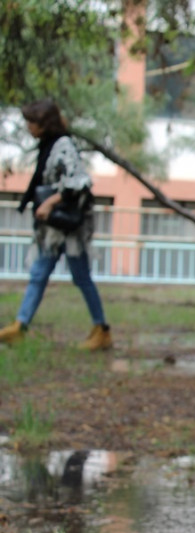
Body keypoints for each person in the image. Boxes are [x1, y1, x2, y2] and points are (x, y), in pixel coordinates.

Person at [0, 100, 112, 350]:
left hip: (69, 229)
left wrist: (50, 202)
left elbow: (80, 182)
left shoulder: (63, 145)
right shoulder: (47, 146)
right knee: (38, 275)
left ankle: (102, 329)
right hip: (52, 231)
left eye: (32, 122)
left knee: (81, 277)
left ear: (44, 123)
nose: (28, 127)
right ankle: (20, 326)